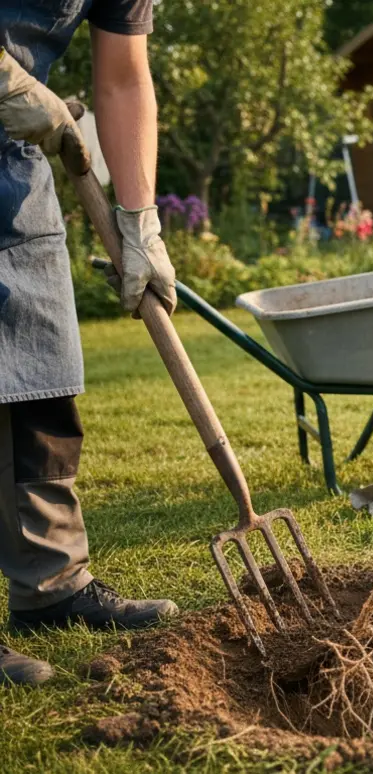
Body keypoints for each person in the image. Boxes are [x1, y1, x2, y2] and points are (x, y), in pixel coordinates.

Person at [0, 0, 180, 685]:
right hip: (18, 109)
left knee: (41, 379)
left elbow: (125, 76)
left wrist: (141, 222)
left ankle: (52, 588)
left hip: (14, 157)